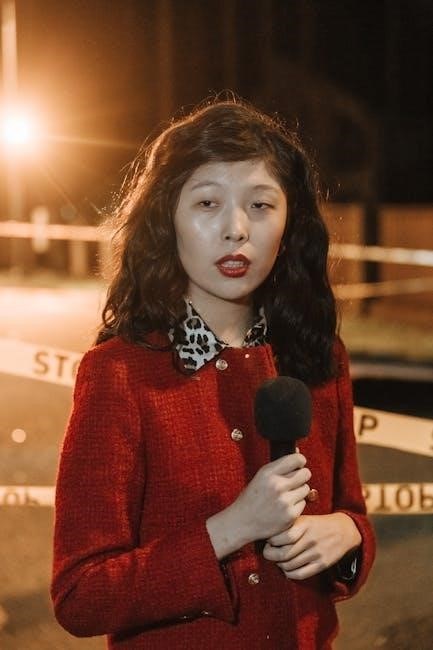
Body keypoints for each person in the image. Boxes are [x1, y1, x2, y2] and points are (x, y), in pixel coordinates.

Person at [51, 98, 375, 649]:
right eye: (207, 203)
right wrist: (233, 527)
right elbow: (81, 595)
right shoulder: (119, 374)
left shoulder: (319, 356)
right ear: (167, 220)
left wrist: (347, 535)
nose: (236, 229)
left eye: (261, 204)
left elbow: (352, 516)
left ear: (290, 224)